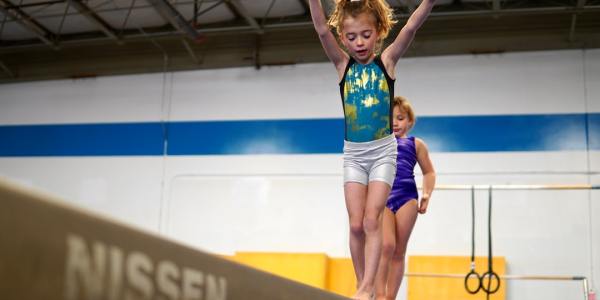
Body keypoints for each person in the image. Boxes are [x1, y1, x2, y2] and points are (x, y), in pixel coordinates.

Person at [308, 1, 436, 299]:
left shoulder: (386, 63)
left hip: (382, 153)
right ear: (342, 37)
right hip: (353, 154)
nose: (359, 42)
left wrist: (428, 2)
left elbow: (411, 27)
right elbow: (319, 29)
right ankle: (360, 283)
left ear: (378, 32)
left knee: (370, 220)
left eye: (365, 34)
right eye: (351, 37)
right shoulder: (342, 66)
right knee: (355, 225)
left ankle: (368, 289)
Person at [373, 96, 435, 300]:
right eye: (390, 118)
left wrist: (426, 194)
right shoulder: (378, 142)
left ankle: (390, 296)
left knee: (399, 250)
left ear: (410, 121)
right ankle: (380, 294)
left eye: (400, 118)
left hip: (407, 196)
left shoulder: (416, 144)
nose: (395, 122)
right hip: (383, 195)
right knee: (386, 245)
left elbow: (429, 172)